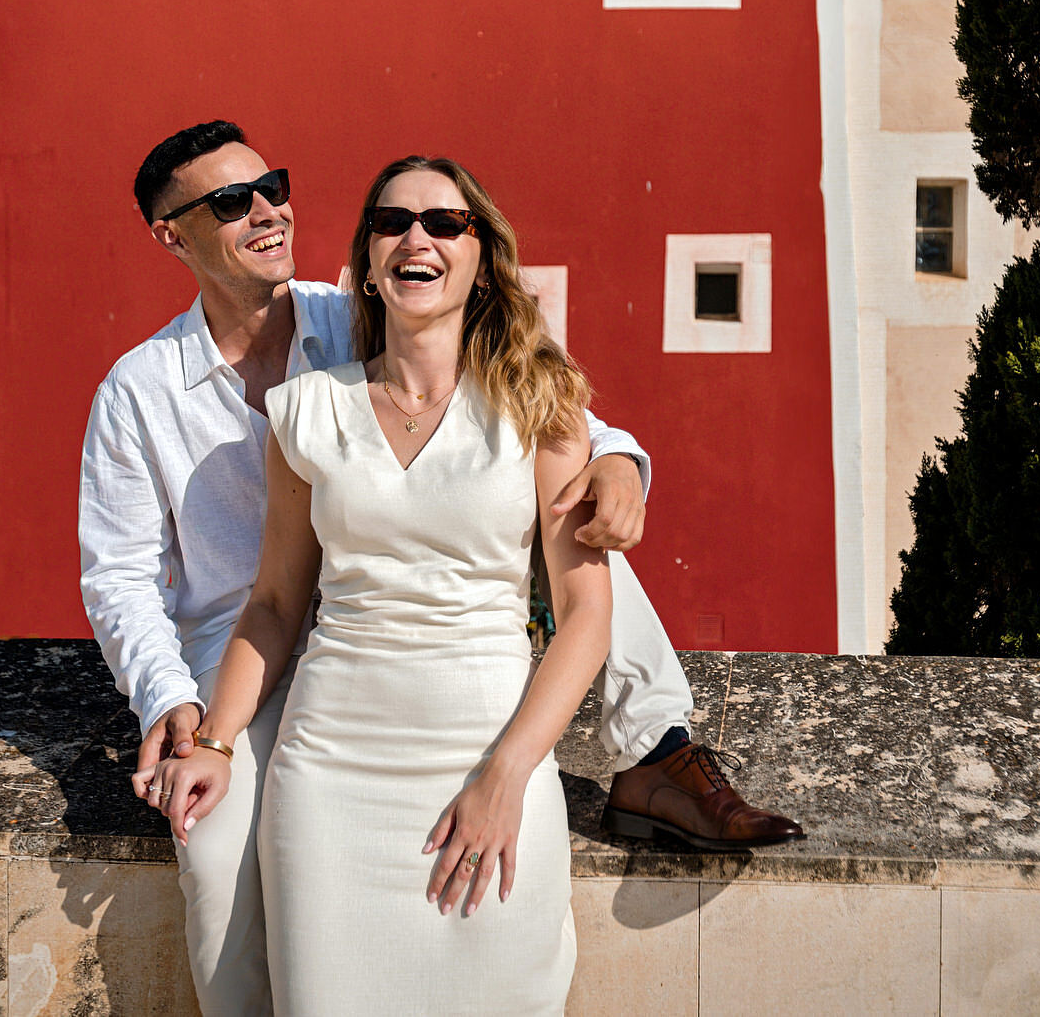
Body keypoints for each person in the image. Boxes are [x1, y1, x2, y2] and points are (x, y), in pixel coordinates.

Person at [79, 123, 801, 1015]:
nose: (267, 211)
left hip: (434, 649)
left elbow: (527, 401)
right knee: (215, 847)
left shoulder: (357, 307)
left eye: (274, 187)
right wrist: (175, 708)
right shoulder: (140, 390)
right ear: (172, 234)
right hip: (263, 666)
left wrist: (619, 460)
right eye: (232, 202)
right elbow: (124, 578)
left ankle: (657, 747)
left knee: (573, 520)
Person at [160, 154, 614, 1010]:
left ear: (483, 261)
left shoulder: (542, 405)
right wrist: (215, 744)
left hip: (491, 760)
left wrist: (506, 776)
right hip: (331, 783)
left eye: (445, 223)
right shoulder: (305, 411)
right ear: (367, 263)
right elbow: (274, 604)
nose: (417, 238)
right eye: (392, 222)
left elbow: (587, 613)